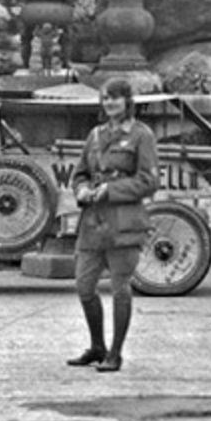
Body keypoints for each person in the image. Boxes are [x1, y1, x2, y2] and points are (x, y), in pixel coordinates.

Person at [67, 77, 159, 373]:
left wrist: (112, 191)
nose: (110, 104)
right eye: (106, 98)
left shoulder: (141, 136)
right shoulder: (95, 136)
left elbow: (149, 181)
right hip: (93, 221)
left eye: (116, 98)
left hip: (124, 223)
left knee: (120, 288)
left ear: (128, 101)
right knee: (84, 286)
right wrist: (81, 190)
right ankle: (97, 347)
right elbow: (80, 174)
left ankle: (115, 354)